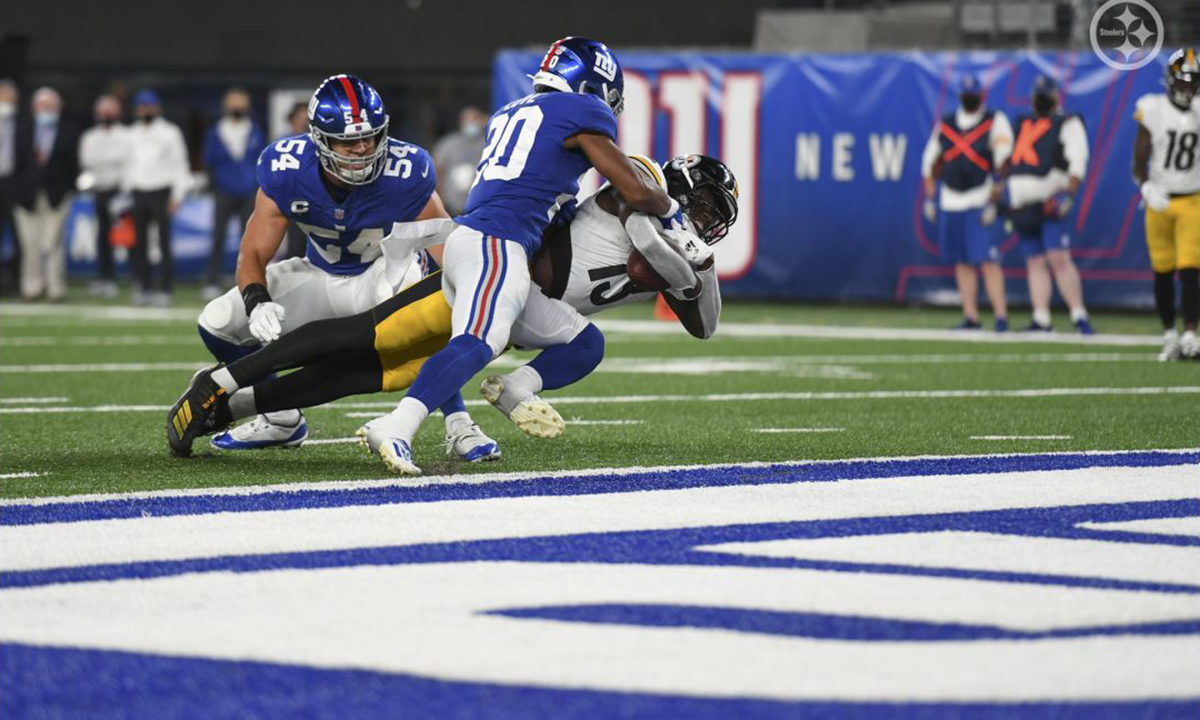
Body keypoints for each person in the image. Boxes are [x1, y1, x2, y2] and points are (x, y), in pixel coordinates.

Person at [166, 154, 735, 463]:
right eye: (703, 204)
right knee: (360, 339)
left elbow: (704, 324)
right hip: (493, 276)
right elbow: (645, 228)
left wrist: (699, 268)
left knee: (368, 375)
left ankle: (237, 407)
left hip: (525, 314)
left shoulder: (680, 250)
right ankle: (220, 381)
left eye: (715, 217)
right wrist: (680, 243)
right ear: (682, 183)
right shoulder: (645, 187)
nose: (704, 222)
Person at [355, 36, 682, 476]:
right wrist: (673, 212)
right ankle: (397, 425)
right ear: (592, 85)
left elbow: (540, 194)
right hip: (497, 243)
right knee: (476, 343)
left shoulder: (512, 112)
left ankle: (512, 390)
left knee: (585, 342)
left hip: (475, 240)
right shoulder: (584, 110)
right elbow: (635, 190)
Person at [184, 74, 496, 462]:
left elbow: (440, 247)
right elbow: (252, 255)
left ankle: (459, 423)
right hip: (318, 274)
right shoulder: (286, 168)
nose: (363, 149)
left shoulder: (406, 170)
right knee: (218, 321)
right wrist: (257, 300)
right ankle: (281, 419)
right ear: (319, 139)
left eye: (370, 137)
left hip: (380, 276)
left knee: (419, 305)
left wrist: (464, 296)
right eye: (349, 142)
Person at [995, 75, 1093, 334]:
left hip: (1049, 199)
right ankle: (1041, 317)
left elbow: (1078, 159)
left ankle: (1078, 314)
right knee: (1034, 260)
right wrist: (1000, 186)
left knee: (1058, 258)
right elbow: (1009, 160)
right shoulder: (1023, 122)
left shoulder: (1067, 123)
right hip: (1021, 201)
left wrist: (1068, 195)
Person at [921, 75, 1013, 331]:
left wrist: (994, 200)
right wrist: (930, 198)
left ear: (981, 96)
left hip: (979, 198)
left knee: (988, 260)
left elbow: (1003, 163)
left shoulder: (994, 120)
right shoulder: (947, 124)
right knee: (962, 261)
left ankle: (1000, 316)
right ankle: (971, 316)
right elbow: (929, 162)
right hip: (952, 200)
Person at [1133, 48, 1200, 361]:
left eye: (1194, 82)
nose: (1189, 89)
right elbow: (1139, 159)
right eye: (1184, 82)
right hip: (1158, 200)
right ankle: (1169, 335)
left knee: (1189, 270)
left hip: (1192, 200)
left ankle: (1190, 335)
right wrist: (1145, 187)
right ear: (1170, 81)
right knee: (1161, 270)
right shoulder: (1152, 108)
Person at [124, 89, 190, 307]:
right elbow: (128, 165)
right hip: (139, 192)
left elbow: (180, 164)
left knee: (163, 243)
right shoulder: (131, 133)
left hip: (162, 191)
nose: (146, 110)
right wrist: (127, 192)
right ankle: (143, 287)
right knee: (139, 244)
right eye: (142, 106)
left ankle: (165, 288)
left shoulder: (170, 132)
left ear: (157, 108)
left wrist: (177, 195)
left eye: (149, 106)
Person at [12, 87, 79, 302]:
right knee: (29, 244)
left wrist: (69, 189)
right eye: (42, 106)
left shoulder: (69, 130)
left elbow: (73, 166)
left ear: (59, 108)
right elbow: (15, 164)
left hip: (56, 194)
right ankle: (31, 287)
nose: (46, 110)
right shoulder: (21, 129)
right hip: (26, 195)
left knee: (53, 243)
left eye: (50, 106)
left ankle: (55, 289)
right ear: (33, 108)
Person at [202, 87, 267, 299]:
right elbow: (209, 161)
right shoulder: (216, 131)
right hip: (224, 192)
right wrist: (216, 184)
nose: (237, 107)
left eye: (241, 102)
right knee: (218, 237)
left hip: (249, 191)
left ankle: (249, 280)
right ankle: (213, 280)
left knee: (249, 240)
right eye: (233, 102)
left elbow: (262, 160)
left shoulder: (255, 130)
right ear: (225, 106)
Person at [78, 94, 130, 297]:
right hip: (100, 190)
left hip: (122, 190)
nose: (107, 114)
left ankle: (136, 278)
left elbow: (127, 161)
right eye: (104, 110)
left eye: (111, 110)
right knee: (102, 237)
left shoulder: (126, 135)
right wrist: (110, 163)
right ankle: (105, 278)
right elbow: (87, 161)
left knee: (130, 237)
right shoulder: (90, 136)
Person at [432, 106, 488, 217]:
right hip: (451, 206)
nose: (471, 123)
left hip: (479, 206)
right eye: (468, 119)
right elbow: (437, 170)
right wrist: (440, 200)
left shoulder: (488, 143)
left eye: (475, 119)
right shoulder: (449, 143)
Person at [280, 102, 310, 259]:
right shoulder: (283, 144)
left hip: (317, 201)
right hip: (292, 201)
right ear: (293, 119)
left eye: (308, 118)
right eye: (301, 118)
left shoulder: (318, 143)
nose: (304, 122)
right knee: (294, 247)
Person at [0, 80, 18, 297]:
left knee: (18, 236)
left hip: (13, 183)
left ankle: (15, 280)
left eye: (7, 96)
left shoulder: (22, 122)